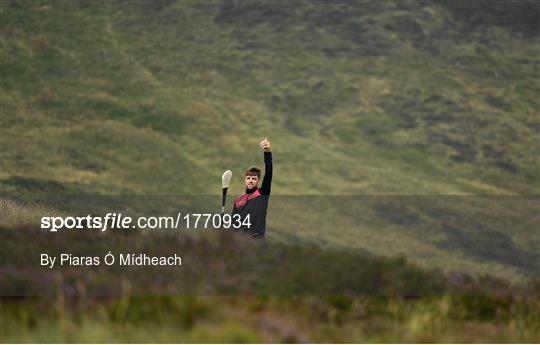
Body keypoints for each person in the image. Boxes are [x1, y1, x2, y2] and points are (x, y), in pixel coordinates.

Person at [232, 138, 272, 238]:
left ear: (258, 181)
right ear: (245, 180)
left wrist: (267, 152)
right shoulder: (237, 201)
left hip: (257, 239)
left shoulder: (262, 193)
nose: (250, 180)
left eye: (254, 179)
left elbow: (269, 172)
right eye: (248, 178)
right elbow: (234, 225)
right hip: (241, 241)